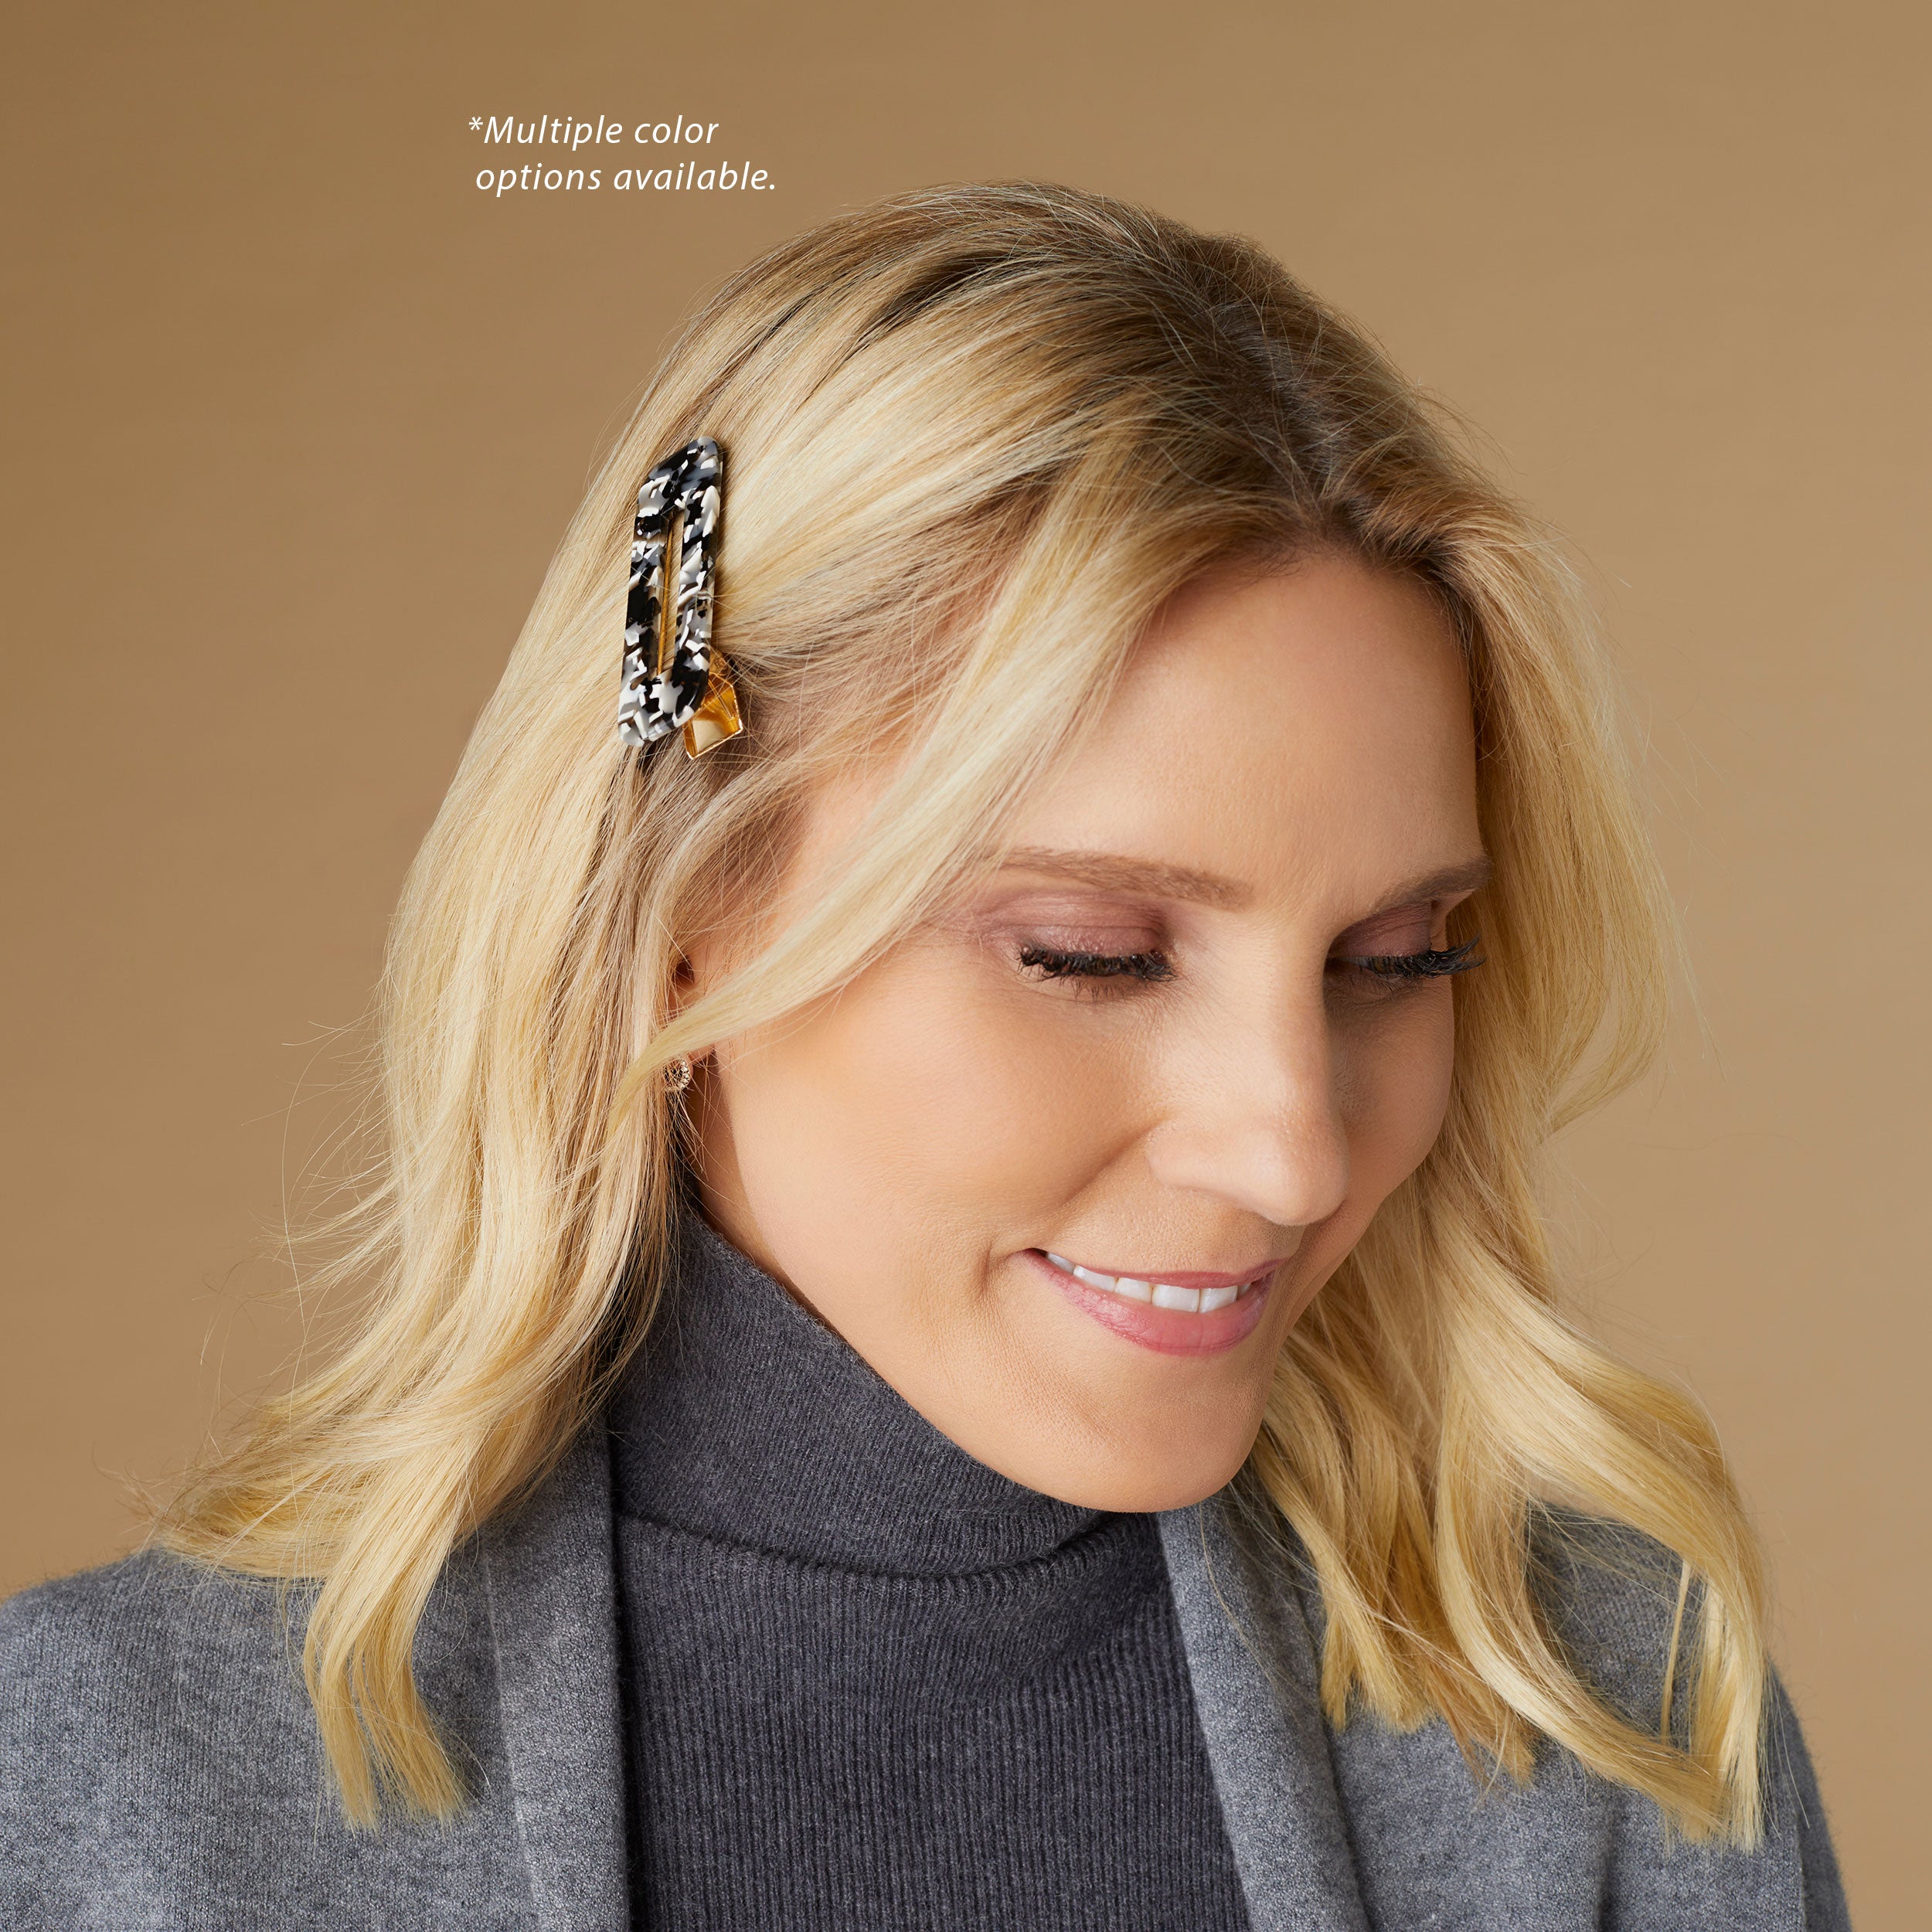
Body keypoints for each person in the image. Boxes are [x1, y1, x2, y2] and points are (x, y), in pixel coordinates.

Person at [0, 181, 1849, 1930]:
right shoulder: (100, 1783)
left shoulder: (1607, 1729)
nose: (1291, 1149)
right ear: (680, 899)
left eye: (1391, 959)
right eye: (1092, 953)